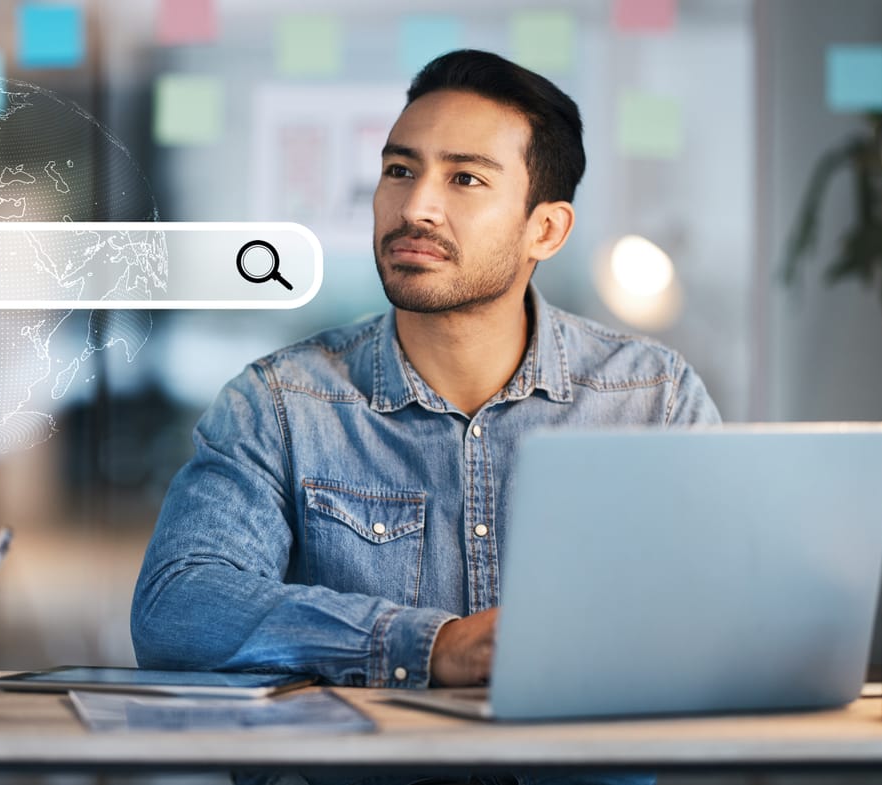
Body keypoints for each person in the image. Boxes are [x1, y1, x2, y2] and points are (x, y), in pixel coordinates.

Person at [132, 49, 720, 696]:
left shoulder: (653, 399)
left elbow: (727, 611)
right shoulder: (280, 403)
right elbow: (178, 607)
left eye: (465, 179)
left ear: (546, 230)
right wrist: (424, 645)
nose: (416, 207)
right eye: (399, 169)